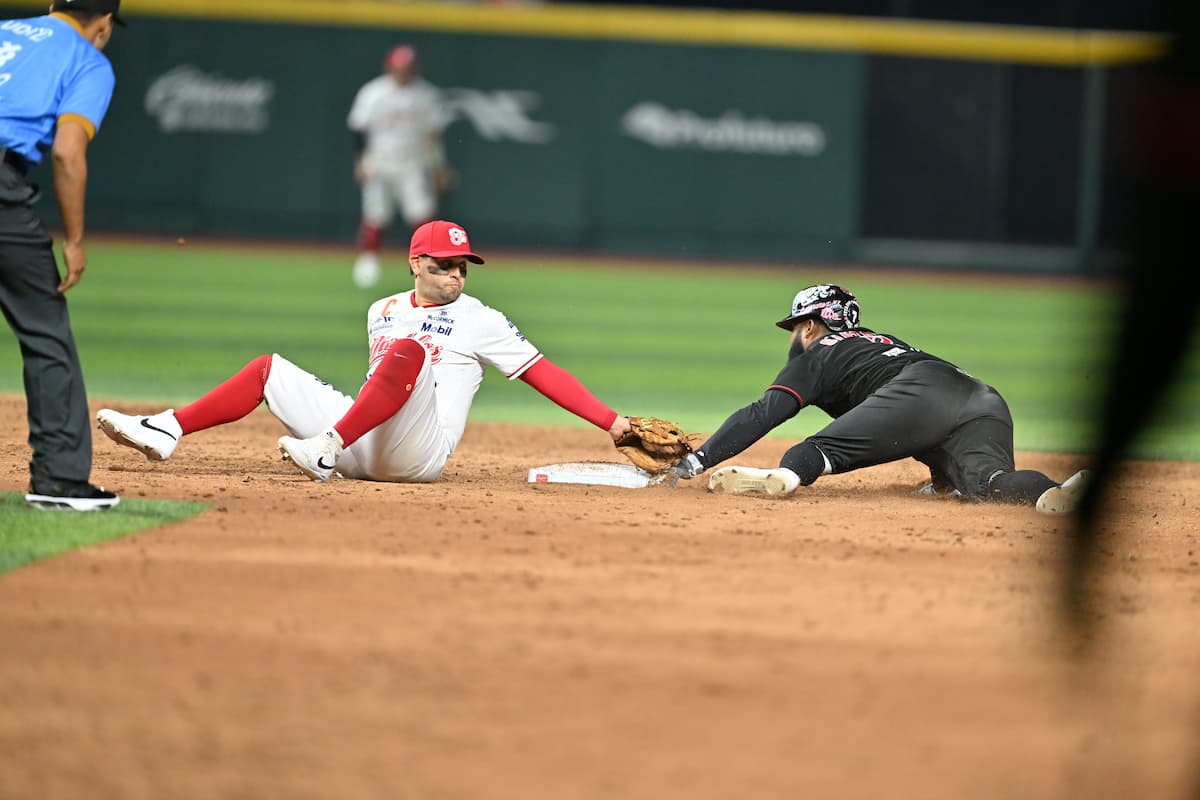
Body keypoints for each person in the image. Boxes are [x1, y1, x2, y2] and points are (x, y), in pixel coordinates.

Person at [96, 220, 633, 483]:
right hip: (364, 440)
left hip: (419, 453)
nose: (456, 275)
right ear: (415, 263)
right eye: (445, 264)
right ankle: (168, 429)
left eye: (462, 266)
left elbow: (545, 373)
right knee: (268, 370)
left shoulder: (480, 319)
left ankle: (326, 447)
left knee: (408, 352)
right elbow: (384, 385)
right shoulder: (381, 307)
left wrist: (612, 423)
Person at [667, 284, 1089, 513]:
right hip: (982, 396)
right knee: (987, 485)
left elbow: (764, 413)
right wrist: (944, 478)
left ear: (812, 327)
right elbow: (921, 419)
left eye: (796, 327)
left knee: (811, 449)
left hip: (921, 390)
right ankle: (1057, 492)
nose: (795, 336)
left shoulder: (818, 352)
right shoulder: (881, 342)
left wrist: (696, 461)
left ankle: (785, 478)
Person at [0, 0, 124, 510]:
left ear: (52, 6)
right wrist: (73, 239)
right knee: (45, 332)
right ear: (105, 24)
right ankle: (59, 479)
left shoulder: (6, 30)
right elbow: (67, 151)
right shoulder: (88, 60)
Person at [347, 44, 450, 290]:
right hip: (379, 162)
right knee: (375, 214)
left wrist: (438, 167)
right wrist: (360, 160)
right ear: (389, 66)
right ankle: (367, 262)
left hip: (413, 163)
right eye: (398, 68)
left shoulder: (426, 95)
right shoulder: (373, 92)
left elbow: (433, 136)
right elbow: (359, 130)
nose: (402, 72)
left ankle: (429, 264)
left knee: (421, 215)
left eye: (407, 68)